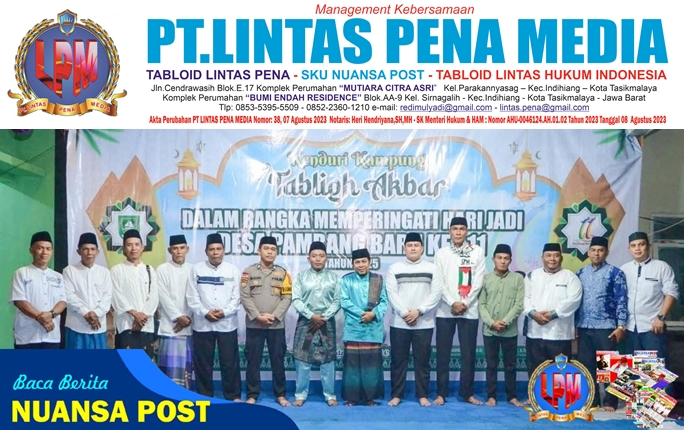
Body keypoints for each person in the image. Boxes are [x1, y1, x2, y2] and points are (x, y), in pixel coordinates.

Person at [433, 217, 485, 406]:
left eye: (462, 229)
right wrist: (452, 302)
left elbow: (478, 280)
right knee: (443, 354)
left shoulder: (477, 251)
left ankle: (467, 393)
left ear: (467, 231)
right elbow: (438, 281)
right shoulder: (441, 253)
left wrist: (465, 303)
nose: (458, 232)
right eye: (454, 228)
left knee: (468, 355)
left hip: (469, 311)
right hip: (445, 311)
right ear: (449, 231)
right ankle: (441, 393)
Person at [386, 232, 441, 407]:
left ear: (422, 248)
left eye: (416, 245)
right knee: (398, 361)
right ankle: (397, 395)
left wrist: (419, 311)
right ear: (404, 248)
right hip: (399, 323)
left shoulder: (432, 269)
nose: (413, 248)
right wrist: (404, 313)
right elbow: (391, 293)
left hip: (424, 323)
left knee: (422, 362)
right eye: (409, 245)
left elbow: (436, 293)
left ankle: (422, 395)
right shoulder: (395, 268)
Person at [186, 233, 242, 400]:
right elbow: (192, 296)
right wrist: (205, 312)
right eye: (212, 249)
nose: (215, 252)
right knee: (203, 363)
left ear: (224, 250)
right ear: (206, 251)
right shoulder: (197, 269)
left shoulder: (232, 270)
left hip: (227, 324)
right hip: (203, 324)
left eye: (218, 249)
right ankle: (204, 396)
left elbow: (237, 297)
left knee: (229, 362)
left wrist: (224, 312)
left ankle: (232, 396)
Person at [575, 236, 628, 412]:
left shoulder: (615, 273)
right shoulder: (581, 273)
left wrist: (621, 326)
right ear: (589, 252)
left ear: (606, 252)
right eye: (593, 250)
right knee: (587, 365)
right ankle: (592, 400)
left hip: (606, 327)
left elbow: (621, 300)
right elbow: (576, 301)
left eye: (600, 250)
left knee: (608, 367)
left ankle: (611, 401)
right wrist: (574, 325)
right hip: (584, 326)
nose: (596, 253)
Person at [241, 236, 293, 406]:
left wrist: (274, 316)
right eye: (266, 248)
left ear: (276, 252)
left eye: (273, 249)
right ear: (259, 251)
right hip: (255, 324)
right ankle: (252, 395)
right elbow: (245, 296)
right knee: (253, 361)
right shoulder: (248, 272)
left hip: (276, 325)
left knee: (278, 360)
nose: (269, 252)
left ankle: (280, 394)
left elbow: (287, 297)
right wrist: (257, 316)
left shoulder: (283, 273)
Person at [291, 241, 341, 407]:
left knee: (328, 359)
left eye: (321, 256)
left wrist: (324, 317)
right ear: (308, 258)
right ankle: (300, 394)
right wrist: (311, 315)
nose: (318, 259)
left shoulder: (334, 278)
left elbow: (337, 300)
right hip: (307, 324)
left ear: (326, 258)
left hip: (326, 324)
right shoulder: (301, 277)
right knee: (303, 358)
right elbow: (296, 299)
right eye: (314, 256)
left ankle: (330, 395)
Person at [339, 248, 388, 406]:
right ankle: (352, 398)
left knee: (371, 366)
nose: (361, 265)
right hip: (353, 328)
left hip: (372, 329)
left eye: (364, 261)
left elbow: (384, 301)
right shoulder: (346, 280)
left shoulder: (378, 280)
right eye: (357, 262)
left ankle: (370, 398)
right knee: (352, 366)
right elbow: (344, 301)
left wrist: (373, 314)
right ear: (353, 264)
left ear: (369, 262)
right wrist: (362, 314)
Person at [620, 232, 679, 363]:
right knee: (632, 370)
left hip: (653, 328)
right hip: (630, 329)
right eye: (633, 246)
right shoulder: (624, 269)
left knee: (654, 371)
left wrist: (660, 318)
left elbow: (672, 293)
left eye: (641, 244)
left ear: (649, 246)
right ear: (629, 249)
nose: (637, 249)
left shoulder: (661, 267)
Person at [524, 243, 582, 374]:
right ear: (542, 258)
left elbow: (573, 301)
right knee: (535, 373)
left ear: (561, 258)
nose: (552, 259)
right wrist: (533, 314)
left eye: (556, 255)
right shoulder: (532, 276)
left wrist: (552, 314)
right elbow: (524, 298)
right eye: (548, 255)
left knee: (559, 375)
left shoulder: (570, 277)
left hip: (560, 336)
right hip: (535, 334)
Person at [478, 244, 524, 407]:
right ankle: (491, 395)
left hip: (509, 331)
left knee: (510, 365)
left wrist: (505, 322)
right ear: (493, 260)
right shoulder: (485, 279)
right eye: (499, 258)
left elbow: (519, 305)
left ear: (510, 260)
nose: (503, 261)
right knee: (491, 365)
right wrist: (492, 323)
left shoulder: (518, 279)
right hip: (490, 330)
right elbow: (481, 304)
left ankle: (512, 396)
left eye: (506, 258)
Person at [10, 231, 66, 349]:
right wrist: (42, 318)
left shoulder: (58, 277)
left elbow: (62, 302)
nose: (44, 252)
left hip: (52, 335)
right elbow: (19, 301)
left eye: (48, 249)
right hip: (27, 335)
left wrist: (51, 314)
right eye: (40, 248)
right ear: (31, 250)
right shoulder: (21, 273)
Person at [111, 229, 159, 358]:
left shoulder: (149, 270)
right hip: (126, 325)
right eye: (129, 245)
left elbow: (154, 296)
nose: (133, 249)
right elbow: (116, 295)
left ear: (142, 247)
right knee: (127, 365)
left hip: (146, 325)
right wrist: (135, 314)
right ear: (124, 248)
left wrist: (142, 317)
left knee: (145, 366)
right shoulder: (117, 270)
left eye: (137, 245)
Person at [63, 232, 112, 349]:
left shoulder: (104, 272)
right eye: (85, 249)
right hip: (76, 327)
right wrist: (86, 313)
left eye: (92, 249)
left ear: (97, 252)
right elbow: (68, 296)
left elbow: (107, 297)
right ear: (78, 251)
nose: (89, 252)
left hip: (98, 327)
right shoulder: (69, 271)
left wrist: (96, 314)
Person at [156, 234, 194, 388]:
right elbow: (162, 296)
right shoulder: (162, 270)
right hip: (169, 325)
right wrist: (178, 317)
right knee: (169, 367)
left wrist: (187, 318)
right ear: (169, 250)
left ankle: (185, 395)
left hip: (188, 325)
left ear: (187, 249)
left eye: (182, 248)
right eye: (175, 248)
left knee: (186, 367)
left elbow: (195, 296)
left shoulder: (193, 269)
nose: (179, 251)